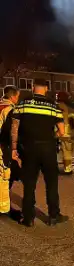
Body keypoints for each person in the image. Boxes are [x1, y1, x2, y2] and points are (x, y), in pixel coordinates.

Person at [11, 78, 69, 227]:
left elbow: (14, 128)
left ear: (32, 87)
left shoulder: (23, 103)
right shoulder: (53, 106)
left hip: (28, 148)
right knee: (51, 183)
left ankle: (28, 217)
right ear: (47, 88)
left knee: (29, 184)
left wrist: (13, 148)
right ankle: (53, 216)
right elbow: (62, 132)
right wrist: (50, 137)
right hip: (48, 148)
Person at [0, 86, 20, 217]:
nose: (18, 99)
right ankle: (4, 209)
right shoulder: (10, 110)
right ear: (13, 96)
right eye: (18, 96)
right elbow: (11, 132)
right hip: (2, 147)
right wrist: (13, 150)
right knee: (3, 177)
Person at [56, 92, 74, 175]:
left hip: (54, 133)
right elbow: (72, 121)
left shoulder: (54, 106)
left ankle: (54, 168)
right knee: (67, 152)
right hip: (66, 134)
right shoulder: (68, 108)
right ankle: (67, 169)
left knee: (53, 152)